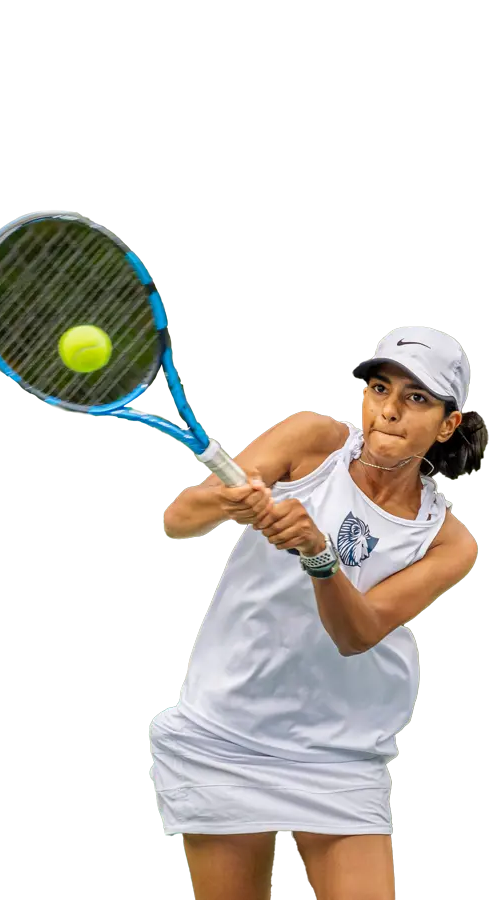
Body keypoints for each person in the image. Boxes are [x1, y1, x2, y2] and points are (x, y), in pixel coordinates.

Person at [149, 326, 486, 900]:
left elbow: (356, 633)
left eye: (417, 399)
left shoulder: (448, 543)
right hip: (226, 729)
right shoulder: (312, 440)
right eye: (381, 389)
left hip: (339, 750)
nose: (391, 410)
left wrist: (319, 553)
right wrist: (226, 502)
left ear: (447, 424)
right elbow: (179, 519)